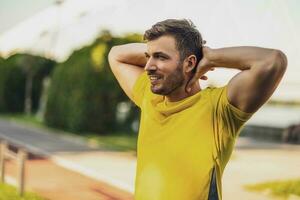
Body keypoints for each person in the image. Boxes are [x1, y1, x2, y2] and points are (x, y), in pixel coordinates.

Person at [108, 19, 287, 200]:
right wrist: (158, 51)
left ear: (190, 63)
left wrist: (210, 57)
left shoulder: (218, 108)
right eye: (149, 57)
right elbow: (116, 54)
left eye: (161, 57)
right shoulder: (150, 96)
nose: (148, 67)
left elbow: (273, 61)